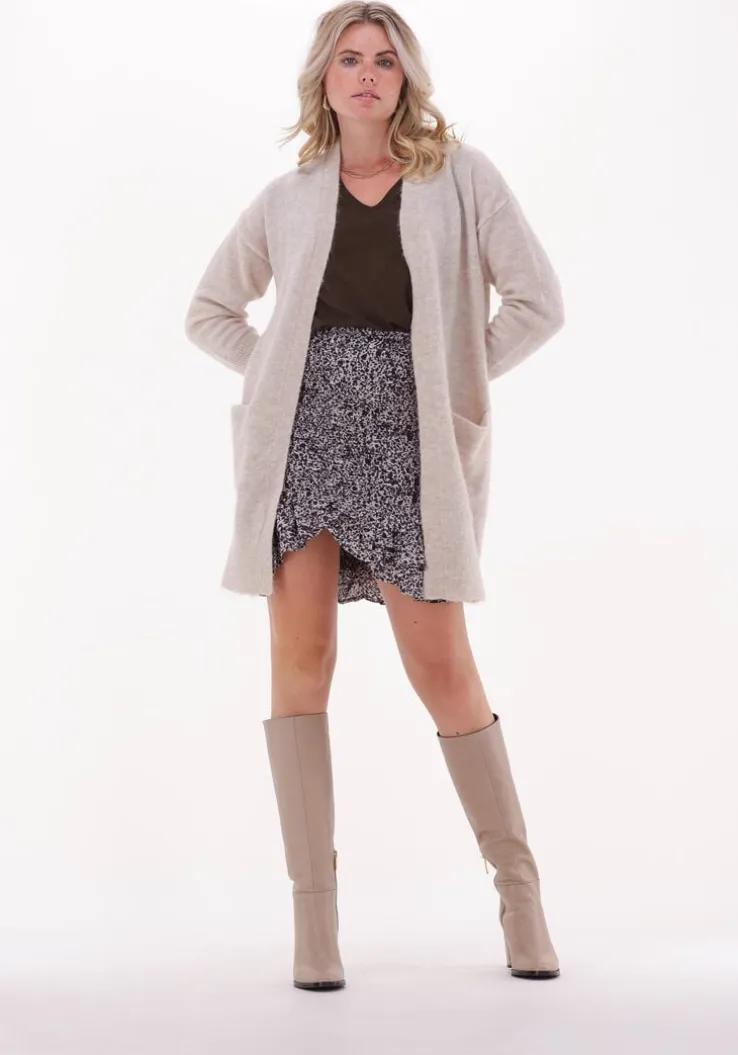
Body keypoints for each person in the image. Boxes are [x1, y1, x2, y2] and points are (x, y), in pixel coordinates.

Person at [184, 1, 564, 991]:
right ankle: (315, 923)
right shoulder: (286, 198)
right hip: (302, 442)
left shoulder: (461, 178)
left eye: (384, 61)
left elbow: (538, 302)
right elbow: (210, 311)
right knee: (301, 662)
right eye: (349, 58)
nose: (366, 74)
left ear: (406, 79)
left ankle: (520, 894)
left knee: (442, 666)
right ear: (324, 77)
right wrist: (282, 371)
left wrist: (450, 379)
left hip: (410, 445)